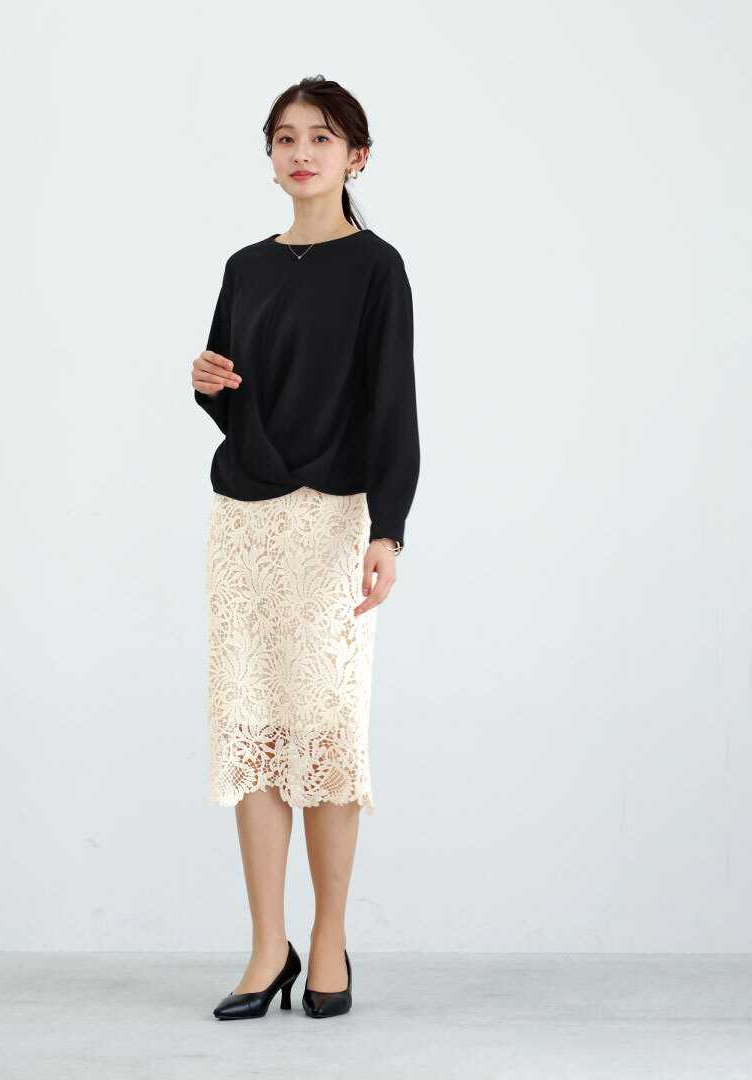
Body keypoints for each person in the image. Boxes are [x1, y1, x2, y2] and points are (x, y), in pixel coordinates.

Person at [191, 76, 420, 1020]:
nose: (301, 152)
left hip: (334, 520)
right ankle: (265, 947)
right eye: (285, 138)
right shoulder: (246, 266)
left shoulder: (377, 267)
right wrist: (207, 384)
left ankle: (328, 940)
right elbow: (233, 393)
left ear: (355, 155)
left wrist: (389, 528)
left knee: (325, 733)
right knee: (251, 731)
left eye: (321, 137)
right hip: (246, 520)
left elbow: (393, 404)